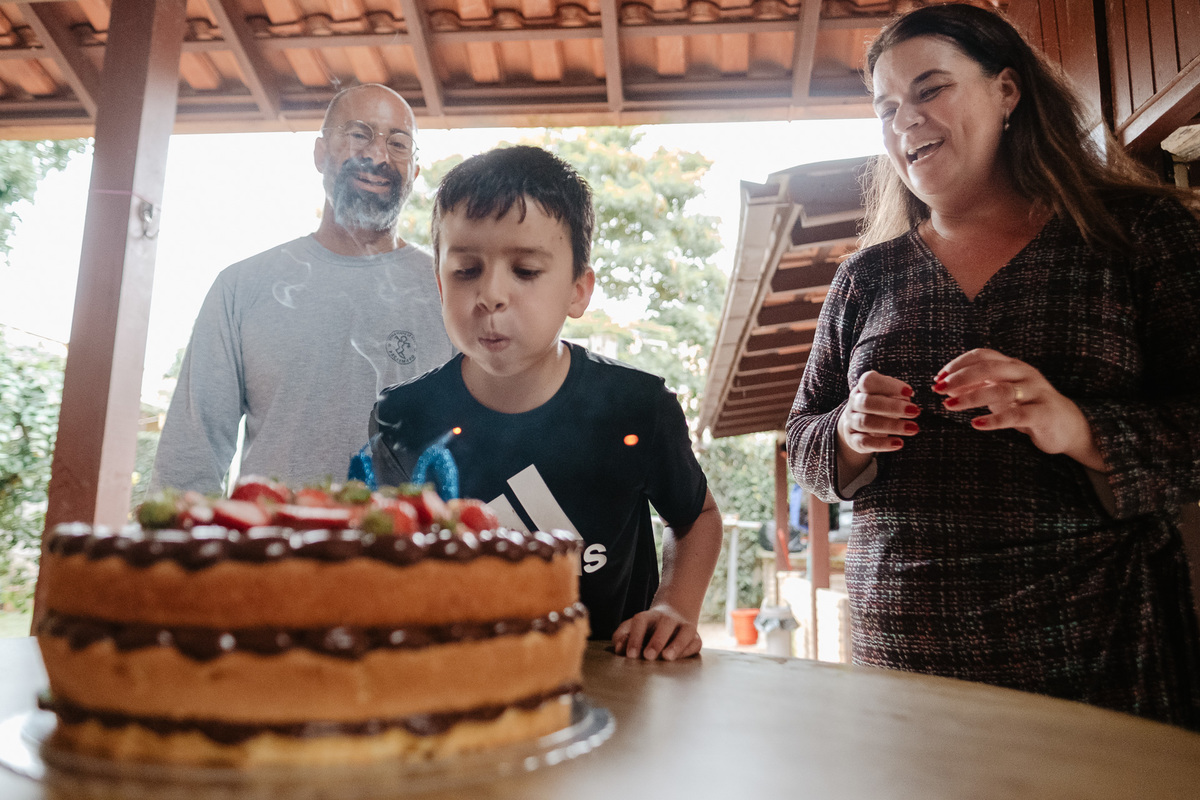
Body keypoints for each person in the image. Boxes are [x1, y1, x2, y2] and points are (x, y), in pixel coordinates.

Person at [786, 3, 1200, 728]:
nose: (904, 121)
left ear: (1007, 91)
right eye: (885, 107)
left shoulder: (1137, 234)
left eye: (929, 89)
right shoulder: (865, 278)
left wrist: (1076, 425)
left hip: (1098, 649)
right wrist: (847, 432)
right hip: (904, 661)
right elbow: (803, 439)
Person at [368, 145, 723, 661]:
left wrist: (674, 608)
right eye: (466, 269)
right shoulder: (402, 418)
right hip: (465, 681)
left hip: (615, 683)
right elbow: (391, 557)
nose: (491, 294)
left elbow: (696, 518)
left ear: (579, 290)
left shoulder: (637, 406)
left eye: (526, 270)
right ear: (439, 286)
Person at [152, 84, 454, 494]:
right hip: (268, 549)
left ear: (415, 172)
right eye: (359, 134)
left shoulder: (448, 290)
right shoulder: (242, 287)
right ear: (320, 153)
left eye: (398, 143)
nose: (378, 155)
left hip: (414, 548)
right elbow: (190, 458)